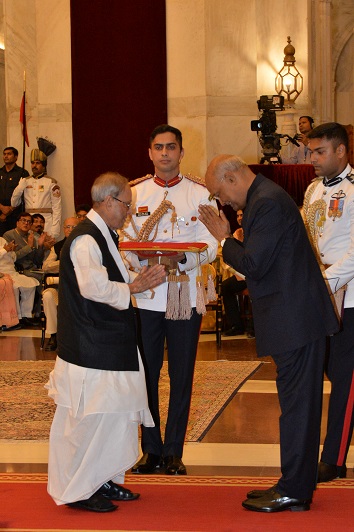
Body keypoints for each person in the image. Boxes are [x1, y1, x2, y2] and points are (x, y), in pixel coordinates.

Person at [198, 154, 338, 513]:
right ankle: (293, 484)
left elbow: (253, 265)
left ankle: (294, 490)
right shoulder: (265, 198)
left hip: (296, 322)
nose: (223, 202)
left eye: (220, 193)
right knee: (296, 407)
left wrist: (225, 239)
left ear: (231, 178)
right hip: (295, 320)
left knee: (297, 408)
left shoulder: (267, 203)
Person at [46, 171, 166, 513]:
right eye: (126, 204)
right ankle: (79, 490)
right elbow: (93, 287)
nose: (129, 211)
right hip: (90, 346)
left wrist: (138, 279)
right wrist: (133, 288)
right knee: (90, 420)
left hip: (111, 342)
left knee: (116, 414)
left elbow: (115, 275)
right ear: (108, 200)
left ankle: (102, 478)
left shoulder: (105, 234)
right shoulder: (85, 238)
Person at [121, 124, 218, 476]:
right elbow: (122, 240)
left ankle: (174, 451)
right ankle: (150, 449)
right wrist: (140, 264)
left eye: (171, 147)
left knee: (181, 375)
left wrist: (183, 259)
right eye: (159, 147)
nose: (165, 153)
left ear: (180, 152)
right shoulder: (133, 193)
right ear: (150, 152)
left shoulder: (200, 194)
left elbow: (213, 242)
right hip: (146, 296)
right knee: (145, 375)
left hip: (183, 296)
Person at [303, 122, 354, 483]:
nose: (313, 159)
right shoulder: (311, 191)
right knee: (323, 371)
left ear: (340, 151)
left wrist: (328, 280)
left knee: (344, 379)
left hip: (349, 296)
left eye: (319, 152)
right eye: (310, 152)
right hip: (320, 295)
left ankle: (333, 458)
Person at [42, 217, 79, 351]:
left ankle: (75, 337)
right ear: (63, 229)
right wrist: (64, 261)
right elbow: (46, 266)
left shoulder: (85, 244)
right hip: (58, 286)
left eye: (74, 227)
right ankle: (53, 335)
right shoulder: (57, 247)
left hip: (78, 287)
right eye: (67, 227)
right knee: (47, 296)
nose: (70, 230)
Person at [11, 148, 61, 239]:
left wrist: (55, 229)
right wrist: (20, 188)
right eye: (33, 163)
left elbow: (57, 208)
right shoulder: (25, 181)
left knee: (46, 249)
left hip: (46, 222)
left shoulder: (51, 182)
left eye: (38, 163)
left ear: (43, 165)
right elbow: (14, 203)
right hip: (29, 222)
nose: (34, 165)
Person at [0, 236, 39, 328]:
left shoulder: (2, 240)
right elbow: (4, 252)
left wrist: (12, 251)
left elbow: (12, 259)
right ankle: (16, 318)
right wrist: (4, 250)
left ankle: (26, 315)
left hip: (12, 271)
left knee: (31, 284)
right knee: (15, 287)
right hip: (2, 273)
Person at [0, 147, 29, 236]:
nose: (6, 156)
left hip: (15, 215)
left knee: (15, 241)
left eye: (9, 154)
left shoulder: (22, 173)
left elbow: (24, 195)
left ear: (16, 157)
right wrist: (2, 208)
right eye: (4, 154)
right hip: (0, 214)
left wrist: (10, 209)